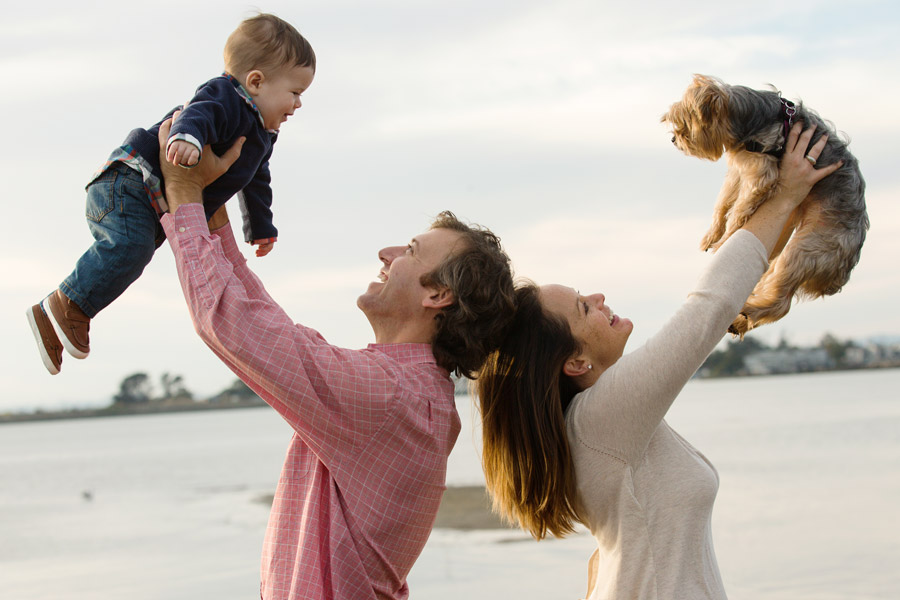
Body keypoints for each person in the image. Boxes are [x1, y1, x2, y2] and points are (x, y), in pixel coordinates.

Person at [476, 122, 842, 599]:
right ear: (574, 362)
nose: (600, 296)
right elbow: (709, 309)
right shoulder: (600, 419)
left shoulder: (597, 427)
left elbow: (619, 549)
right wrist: (785, 195)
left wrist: (791, 211)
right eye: (584, 306)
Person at [154, 115, 516, 599]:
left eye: (409, 250)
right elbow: (266, 324)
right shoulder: (409, 392)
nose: (386, 253)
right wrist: (213, 209)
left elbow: (234, 325)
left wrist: (183, 193)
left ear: (438, 296)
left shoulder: (389, 396)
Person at [27, 13, 315, 375]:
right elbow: (196, 115)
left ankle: (60, 317)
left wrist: (261, 226)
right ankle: (68, 303)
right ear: (256, 81)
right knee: (131, 249)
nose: (299, 105)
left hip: (148, 200)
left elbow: (258, 181)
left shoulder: (262, 136)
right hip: (131, 183)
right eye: (295, 93)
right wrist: (187, 141)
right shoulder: (226, 96)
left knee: (136, 254)